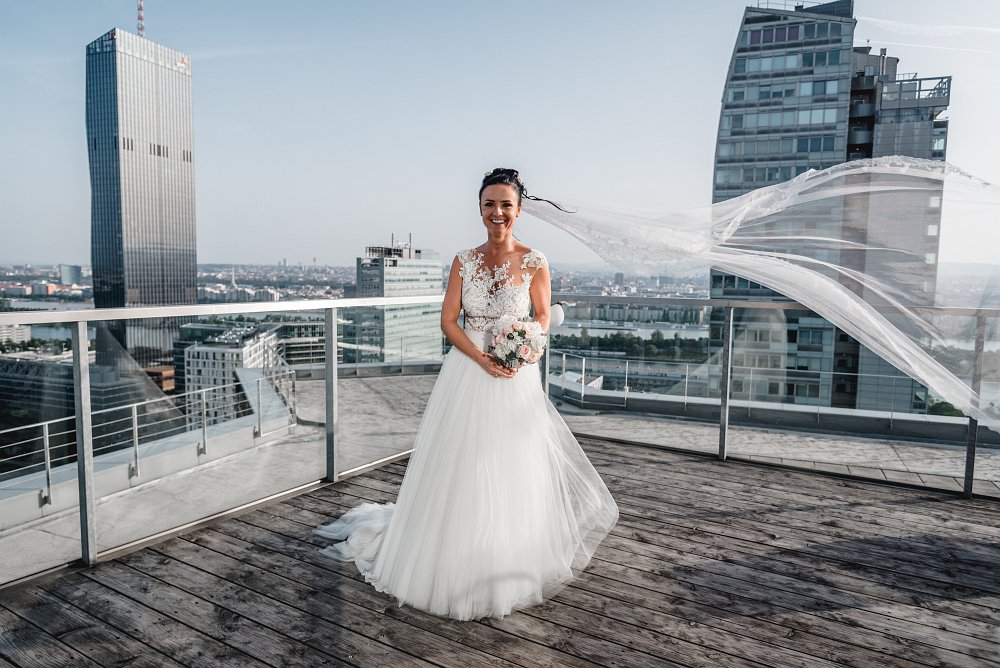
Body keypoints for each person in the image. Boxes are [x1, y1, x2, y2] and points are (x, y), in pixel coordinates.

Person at [315, 168, 619, 621]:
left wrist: (521, 350)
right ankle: (446, 559)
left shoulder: (536, 260)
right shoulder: (464, 260)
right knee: (460, 463)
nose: (497, 212)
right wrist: (482, 358)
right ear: (480, 209)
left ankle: (502, 562)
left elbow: (540, 318)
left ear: (518, 209)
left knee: (510, 465)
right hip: (468, 372)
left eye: (506, 204)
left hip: (515, 380)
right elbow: (449, 321)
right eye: (489, 204)